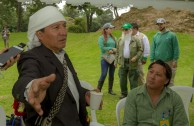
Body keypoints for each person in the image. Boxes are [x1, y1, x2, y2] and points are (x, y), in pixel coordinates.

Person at [12, 6, 96, 126]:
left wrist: (84, 94)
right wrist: (29, 88)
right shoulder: (31, 57)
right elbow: (26, 78)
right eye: (56, 27)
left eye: (64, 26)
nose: (64, 32)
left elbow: (65, 85)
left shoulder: (61, 53)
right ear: (40, 34)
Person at [122, 60, 189, 126]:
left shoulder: (174, 99)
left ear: (166, 81)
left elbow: (181, 123)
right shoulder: (134, 95)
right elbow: (129, 123)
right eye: (151, 72)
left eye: (158, 75)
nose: (152, 77)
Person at [114, 23, 143, 99]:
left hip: (132, 63)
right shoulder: (120, 40)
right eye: (123, 29)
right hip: (123, 62)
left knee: (133, 80)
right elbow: (117, 51)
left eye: (126, 29)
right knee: (122, 80)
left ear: (130, 30)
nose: (124, 31)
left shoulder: (136, 39)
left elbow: (140, 50)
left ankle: (133, 95)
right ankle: (124, 94)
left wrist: (136, 57)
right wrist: (115, 62)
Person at [150, 18, 180, 87]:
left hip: (169, 61)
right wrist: (152, 60)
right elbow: (153, 49)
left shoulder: (172, 35)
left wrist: (175, 60)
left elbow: (176, 48)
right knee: (159, 79)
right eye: (158, 24)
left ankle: (170, 96)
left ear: (165, 24)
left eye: (161, 24)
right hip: (158, 62)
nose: (160, 26)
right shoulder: (155, 36)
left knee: (170, 80)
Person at [97, 23, 117, 95]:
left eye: (112, 28)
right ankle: (98, 89)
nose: (111, 29)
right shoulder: (101, 38)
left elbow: (117, 48)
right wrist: (111, 48)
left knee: (111, 74)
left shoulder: (114, 38)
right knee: (104, 74)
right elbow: (102, 48)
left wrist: (114, 50)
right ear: (105, 29)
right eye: (110, 28)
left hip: (113, 58)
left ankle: (110, 90)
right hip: (104, 59)